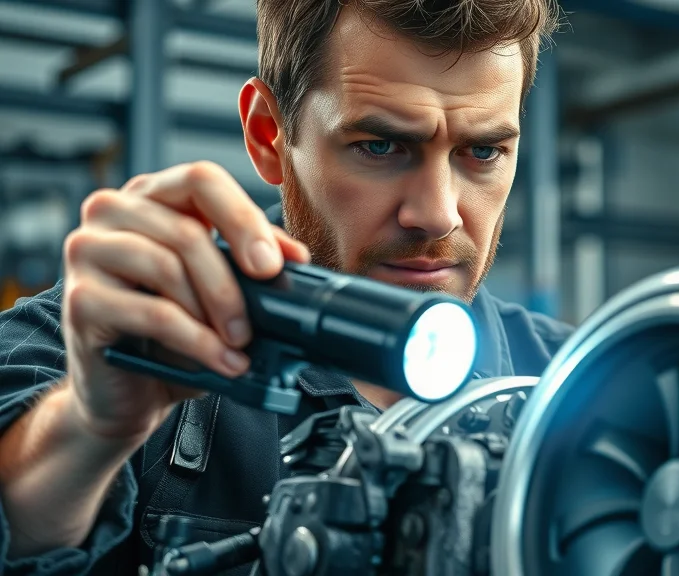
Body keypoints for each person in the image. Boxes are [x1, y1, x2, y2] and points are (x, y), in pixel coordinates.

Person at [0, 1, 568, 574]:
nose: (438, 214)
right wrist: (89, 427)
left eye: (483, 151)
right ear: (269, 135)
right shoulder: (124, 334)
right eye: (380, 146)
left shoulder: (583, 383)